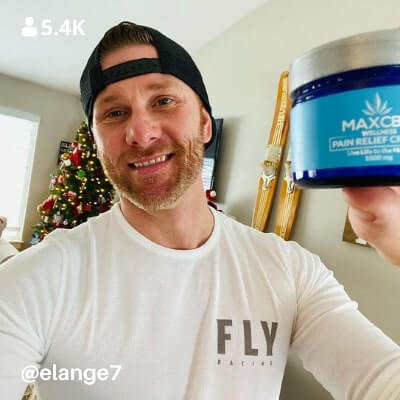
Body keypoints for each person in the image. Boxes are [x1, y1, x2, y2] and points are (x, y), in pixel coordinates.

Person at [0, 21, 399, 400]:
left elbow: (381, 381)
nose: (141, 133)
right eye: (114, 113)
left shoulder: (290, 271)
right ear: (97, 143)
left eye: (163, 101)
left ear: (205, 124)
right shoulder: (38, 278)